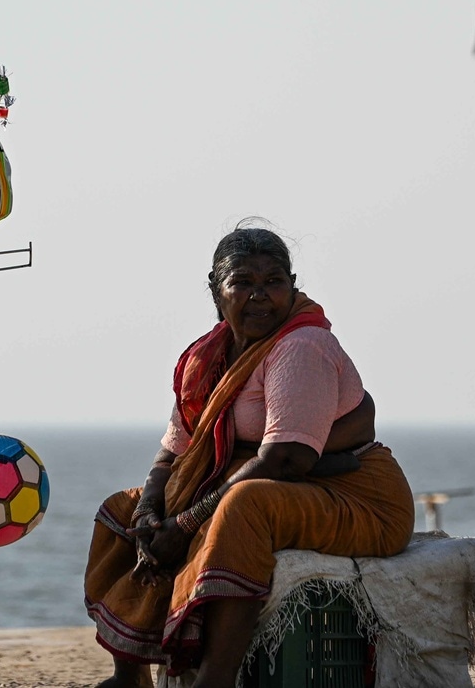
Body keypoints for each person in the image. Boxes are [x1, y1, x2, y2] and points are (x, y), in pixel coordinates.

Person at [83, 225, 415, 688]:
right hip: (279, 477)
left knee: (243, 507)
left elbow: (285, 461)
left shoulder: (302, 346)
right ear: (217, 292)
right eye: (243, 282)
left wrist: (184, 524)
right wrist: (149, 509)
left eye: (274, 282)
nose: (260, 296)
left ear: (292, 286)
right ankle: (129, 673)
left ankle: (215, 678)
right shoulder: (210, 356)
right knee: (120, 508)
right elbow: (174, 452)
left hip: (358, 498)